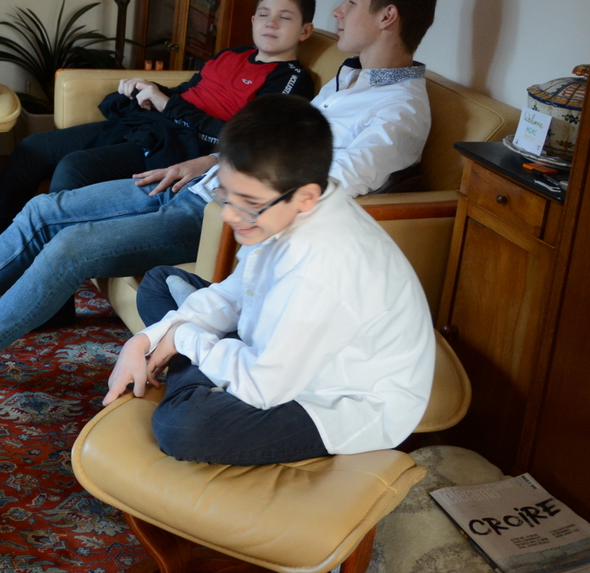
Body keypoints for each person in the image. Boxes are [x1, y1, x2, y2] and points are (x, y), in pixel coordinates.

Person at [0, 0, 439, 395]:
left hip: (215, 216)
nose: (339, 12)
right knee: (43, 209)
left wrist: (228, 179)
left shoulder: (400, 113)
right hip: (195, 179)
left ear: (387, 16)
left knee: (71, 246)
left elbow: (323, 185)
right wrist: (204, 160)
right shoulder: (350, 78)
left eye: (351, 2)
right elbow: (279, 146)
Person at [106, 93, 434, 460]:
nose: (230, 216)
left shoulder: (325, 267)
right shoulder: (288, 205)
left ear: (306, 197)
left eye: (248, 205)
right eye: (225, 195)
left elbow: (265, 387)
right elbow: (236, 291)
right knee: (157, 283)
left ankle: (200, 369)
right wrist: (145, 340)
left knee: (181, 427)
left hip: (337, 399)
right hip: (278, 346)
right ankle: (205, 363)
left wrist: (182, 337)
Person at [0, 0, 317, 256]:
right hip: (151, 125)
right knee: (33, 148)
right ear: (253, 20)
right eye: (264, 14)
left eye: (285, 17)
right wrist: (150, 91)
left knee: (74, 168)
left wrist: (167, 105)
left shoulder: (291, 79)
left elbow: (240, 140)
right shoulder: (231, 54)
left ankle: (48, 289)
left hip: (180, 147)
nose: (271, 23)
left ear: (305, 31)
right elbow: (189, 92)